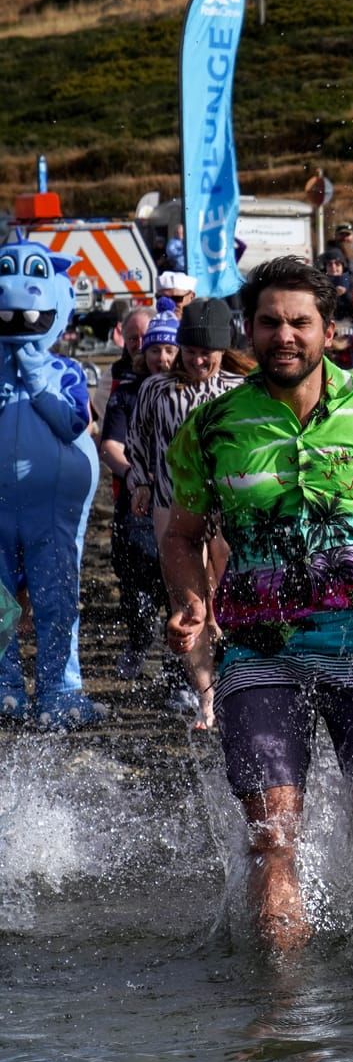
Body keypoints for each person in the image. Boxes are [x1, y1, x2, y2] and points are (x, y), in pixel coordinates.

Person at [158, 257, 353, 950]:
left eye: (299, 322)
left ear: (327, 329)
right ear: (249, 330)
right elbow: (181, 536)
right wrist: (191, 601)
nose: (283, 335)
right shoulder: (215, 425)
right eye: (269, 322)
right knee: (272, 835)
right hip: (259, 650)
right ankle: (283, 1022)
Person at [125, 299, 250, 725]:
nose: (200, 361)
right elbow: (138, 441)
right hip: (171, 501)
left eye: (208, 354)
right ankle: (207, 695)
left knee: (229, 592)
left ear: (223, 350)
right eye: (192, 352)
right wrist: (139, 480)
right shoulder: (157, 389)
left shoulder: (239, 389)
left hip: (228, 503)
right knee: (187, 599)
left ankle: (238, 680)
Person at [0, 236, 101, 727]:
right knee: (0, 604)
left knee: (55, 598)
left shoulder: (67, 370)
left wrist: (35, 374)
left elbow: (71, 423)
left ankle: (61, 689)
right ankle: (6, 686)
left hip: (52, 512)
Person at [97, 306, 164, 680]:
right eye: (136, 340)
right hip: (134, 504)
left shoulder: (189, 390)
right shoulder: (124, 390)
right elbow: (110, 445)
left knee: (179, 594)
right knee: (136, 589)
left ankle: (178, 678)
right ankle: (139, 638)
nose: (147, 349)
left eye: (152, 341)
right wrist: (137, 476)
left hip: (180, 503)